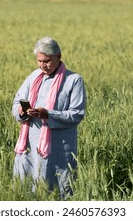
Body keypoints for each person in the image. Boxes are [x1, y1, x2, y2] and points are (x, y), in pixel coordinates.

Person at [12, 37, 86, 199]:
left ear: (58, 56)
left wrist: (48, 114)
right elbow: (17, 101)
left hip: (59, 148)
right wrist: (22, 111)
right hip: (31, 146)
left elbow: (77, 114)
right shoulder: (33, 77)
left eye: (46, 61)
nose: (42, 65)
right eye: (39, 61)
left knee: (60, 192)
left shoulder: (73, 80)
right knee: (29, 193)